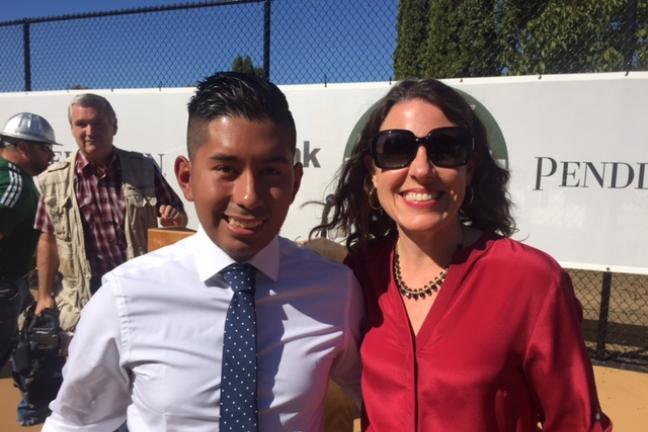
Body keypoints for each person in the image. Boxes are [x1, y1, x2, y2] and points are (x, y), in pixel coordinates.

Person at [42, 72, 363, 431]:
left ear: (295, 182)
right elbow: (77, 423)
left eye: (271, 171)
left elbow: (382, 396)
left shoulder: (336, 291)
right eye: (226, 169)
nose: (248, 196)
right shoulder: (125, 297)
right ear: (186, 177)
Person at [313, 78, 612, 431]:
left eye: (446, 148)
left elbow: (576, 423)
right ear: (373, 173)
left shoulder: (530, 279)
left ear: (469, 169)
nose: (421, 170)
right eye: (395, 149)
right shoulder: (360, 274)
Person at [33, 93, 187, 332]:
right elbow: (48, 240)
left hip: (137, 292)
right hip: (82, 298)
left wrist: (173, 218)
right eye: (81, 124)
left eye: (98, 123)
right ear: (72, 129)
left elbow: (178, 215)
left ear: (114, 126)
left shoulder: (143, 169)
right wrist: (43, 295)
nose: (89, 131)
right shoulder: (55, 180)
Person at [0, 112, 58, 425]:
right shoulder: (14, 184)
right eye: (45, 148)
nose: (50, 155)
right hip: (4, 284)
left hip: (15, 283)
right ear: (24, 148)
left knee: (30, 344)